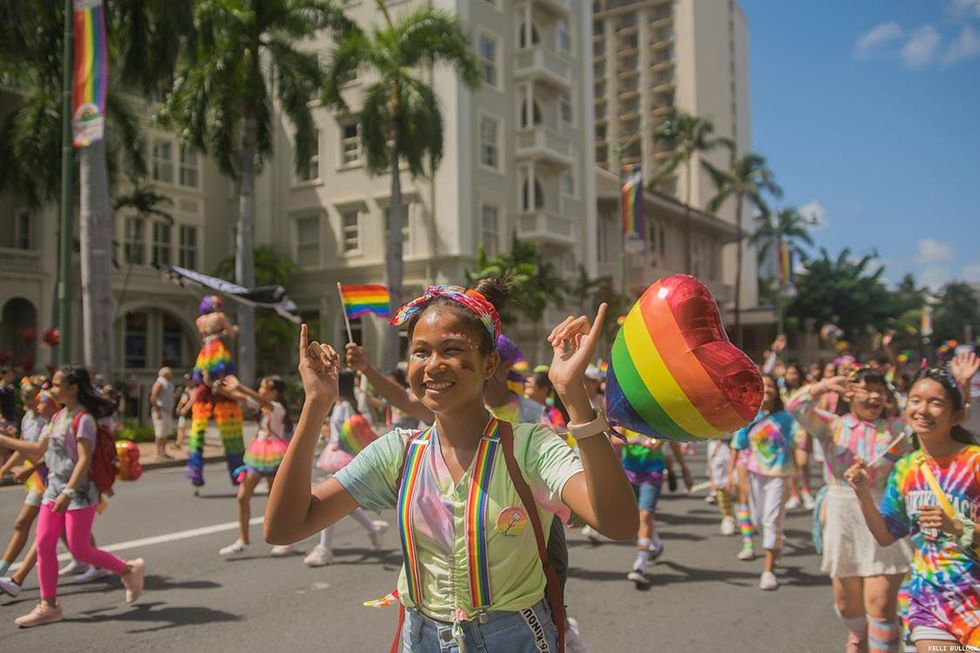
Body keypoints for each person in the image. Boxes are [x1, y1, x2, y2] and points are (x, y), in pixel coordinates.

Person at [265, 281, 637, 652]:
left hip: (516, 640)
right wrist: (316, 404)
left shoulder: (530, 447)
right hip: (422, 639)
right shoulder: (398, 452)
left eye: (452, 350)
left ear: (489, 363)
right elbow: (285, 527)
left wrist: (573, 395)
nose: (433, 366)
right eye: (420, 352)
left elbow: (618, 523)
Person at [846, 362, 980, 652]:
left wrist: (957, 526)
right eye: (916, 400)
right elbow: (885, 535)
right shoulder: (906, 469)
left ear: (956, 415)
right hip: (929, 601)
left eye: (935, 403)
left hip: (975, 597)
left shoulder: (974, 462)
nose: (922, 410)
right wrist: (862, 493)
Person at [787, 368, 913, 652]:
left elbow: (938, 418)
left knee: (880, 605)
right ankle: (859, 633)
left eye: (879, 391)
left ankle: (884, 637)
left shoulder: (897, 429)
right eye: (866, 389)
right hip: (842, 514)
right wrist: (826, 384)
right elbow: (794, 405)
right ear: (850, 393)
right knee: (847, 604)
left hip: (883, 513)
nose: (873, 396)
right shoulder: (833, 427)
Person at [7, 367, 145, 627]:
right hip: (53, 489)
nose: (52, 390)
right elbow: (40, 449)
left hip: (79, 493)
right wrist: (8, 444)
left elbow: (83, 460)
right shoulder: (58, 416)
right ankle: (48, 606)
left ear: (73, 388)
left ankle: (128, 570)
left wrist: (69, 492)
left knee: (80, 548)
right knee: (45, 544)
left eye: (58, 386)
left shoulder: (84, 419)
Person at [303, 371, 387, 567]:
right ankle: (372, 528)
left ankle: (325, 548)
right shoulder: (340, 404)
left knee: (330, 501)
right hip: (336, 453)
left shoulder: (346, 405)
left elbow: (352, 430)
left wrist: (336, 439)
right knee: (341, 501)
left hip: (343, 456)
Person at [729, 375, 801, 591]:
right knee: (759, 520)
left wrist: (798, 479)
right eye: (764, 386)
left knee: (770, 521)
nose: (767, 389)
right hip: (754, 474)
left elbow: (797, 444)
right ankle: (777, 540)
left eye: (771, 385)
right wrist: (731, 472)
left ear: (777, 391)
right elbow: (738, 444)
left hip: (779, 475)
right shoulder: (749, 416)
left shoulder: (787, 419)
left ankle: (768, 571)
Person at [215, 375, 294, 558]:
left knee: (275, 501)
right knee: (242, 497)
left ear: (274, 392)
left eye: (264, 388)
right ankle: (243, 540)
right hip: (257, 453)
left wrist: (240, 386)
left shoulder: (278, 408)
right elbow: (238, 397)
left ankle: (284, 539)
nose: (260, 390)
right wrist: (216, 386)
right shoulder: (261, 405)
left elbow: (255, 398)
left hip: (276, 454)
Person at [187, 295, 246, 491]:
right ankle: (237, 472)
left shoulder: (199, 320)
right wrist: (233, 329)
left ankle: (195, 474)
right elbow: (231, 333)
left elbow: (205, 334)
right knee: (225, 385)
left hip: (204, 355)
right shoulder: (220, 316)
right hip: (217, 353)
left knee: (197, 433)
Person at [0, 378, 51, 580]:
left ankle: (9, 574)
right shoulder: (28, 418)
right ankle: (86, 560)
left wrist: (29, 470)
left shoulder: (49, 420)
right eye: (24, 398)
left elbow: (49, 453)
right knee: (62, 529)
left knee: (24, 523)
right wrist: (4, 470)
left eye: (30, 398)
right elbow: (22, 448)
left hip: (48, 478)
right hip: (36, 476)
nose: (27, 403)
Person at [150, 367, 176, 461]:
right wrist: (157, 412)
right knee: (160, 433)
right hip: (161, 411)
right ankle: (158, 454)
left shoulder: (168, 383)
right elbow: (153, 398)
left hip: (167, 411)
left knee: (165, 433)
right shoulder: (160, 382)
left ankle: (163, 452)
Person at [174, 373, 196, 450]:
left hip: (191, 413)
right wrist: (178, 407)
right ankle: (178, 444)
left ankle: (193, 445)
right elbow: (183, 400)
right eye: (186, 380)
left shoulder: (194, 390)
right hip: (184, 413)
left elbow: (192, 400)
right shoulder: (186, 389)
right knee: (180, 427)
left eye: (189, 380)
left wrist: (185, 409)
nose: (187, 382)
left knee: (191, 429)